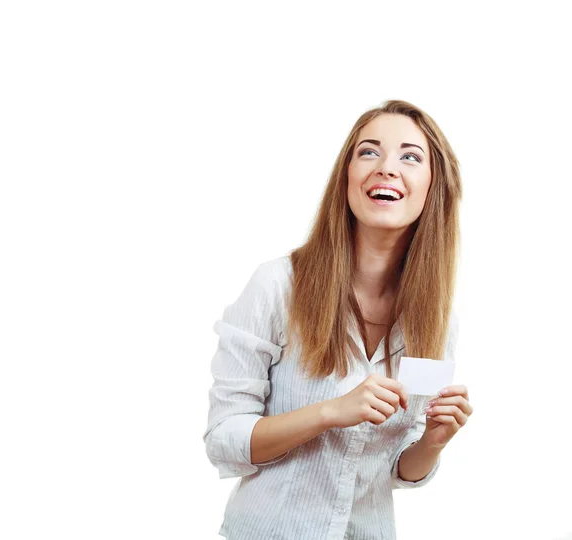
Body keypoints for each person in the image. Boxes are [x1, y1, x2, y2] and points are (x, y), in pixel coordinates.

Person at [202, 99, 473, 540]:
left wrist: (433, 441)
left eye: (410, 156)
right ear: (346, 177)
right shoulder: (278, 285)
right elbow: (223, 439)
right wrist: (330, 412)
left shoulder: (439, 322)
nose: (387, 167)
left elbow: (400, 468)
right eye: (369, 151)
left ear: (432, 188)